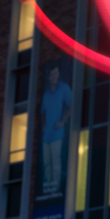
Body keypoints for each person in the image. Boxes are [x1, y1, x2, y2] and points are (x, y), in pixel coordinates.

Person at [41, 64, 73, 194]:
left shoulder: (64, 89)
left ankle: (56, 188)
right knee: (47, 163)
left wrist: (63, 121)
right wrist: (43, 126)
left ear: (58, 74)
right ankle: (49, 187)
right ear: (49, 77)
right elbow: (42, 111)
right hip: (46, 136)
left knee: (56, 162)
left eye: (55, 73)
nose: (53, 76)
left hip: (57, 134)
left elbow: (71, 105)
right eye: (51, 74)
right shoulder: (46, 94)